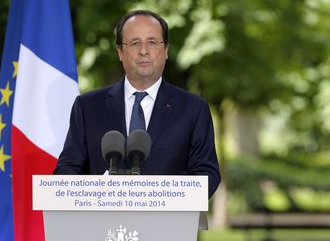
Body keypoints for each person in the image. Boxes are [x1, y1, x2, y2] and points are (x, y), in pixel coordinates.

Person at [54, 10, 221, 198]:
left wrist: (163, 198)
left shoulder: (193, 109)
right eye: (134, 43)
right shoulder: (87, 107)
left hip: (168, 225)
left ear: (165, 50)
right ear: (120, 52)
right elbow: (67, 171)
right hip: (102, 224)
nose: (144, 51)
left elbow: (207, 175)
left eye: (152, 42)